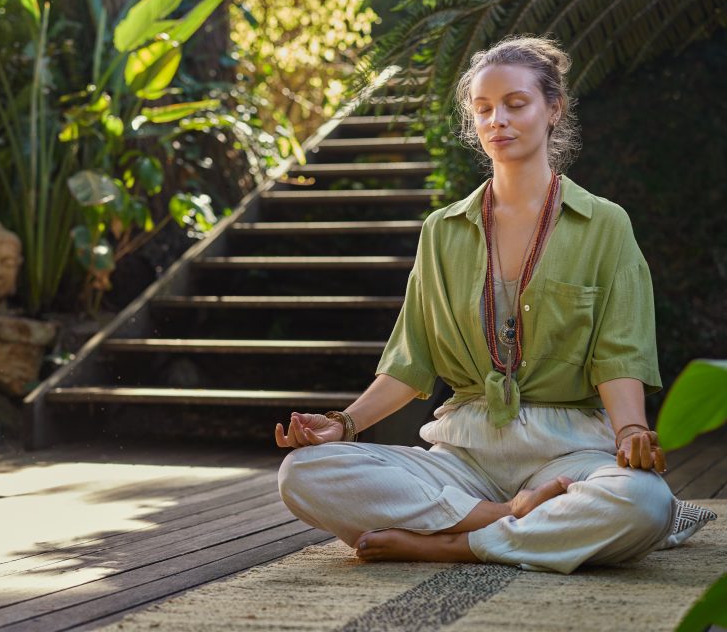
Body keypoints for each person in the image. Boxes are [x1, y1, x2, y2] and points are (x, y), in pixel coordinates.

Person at [274, 35, 677, 575]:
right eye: (484, 109)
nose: (498, 121)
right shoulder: (441, 232)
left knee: (646, 504)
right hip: (461, 458)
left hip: (570, 454)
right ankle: (505, 517)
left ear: (553, 109)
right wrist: (343, 425)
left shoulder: (605, 224)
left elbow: (619, 354)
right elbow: (410, 361)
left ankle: (451, 543)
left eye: (516, 104)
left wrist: (629, 432)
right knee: (303, 473)